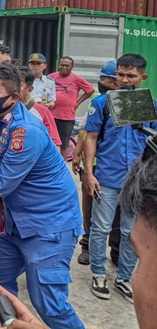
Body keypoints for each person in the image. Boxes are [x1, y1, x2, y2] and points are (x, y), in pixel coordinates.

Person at [0, 140, 157, 328]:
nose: (137, 279)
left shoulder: (28, 133)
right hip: (105, 178)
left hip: (51, 224)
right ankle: (99, 273)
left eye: (139, 257)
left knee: (51, 304)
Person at [0, 64, 84, 329]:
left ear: (14, 97)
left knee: (48, 304)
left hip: (47, 225)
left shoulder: (27, 132)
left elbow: (0, 184)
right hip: (11, 222)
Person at [83, 54, 157, 303]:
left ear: (142, 77)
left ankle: (124, 278)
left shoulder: (152, 106)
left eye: (131, 75)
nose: (124, 80)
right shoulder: (102, 103)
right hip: (106, 176)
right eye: (120, 74)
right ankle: (98, 273)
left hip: (138, 182)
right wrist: (89, 173)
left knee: (129, 231)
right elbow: (91, 137)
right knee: (100, 227)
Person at [72, 60, 119, 266]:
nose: (101, 82)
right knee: (90, 208)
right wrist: (77, 155)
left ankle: (116, 250)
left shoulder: (129, 106)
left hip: (117, 168)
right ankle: (87, 246)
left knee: (119, 212)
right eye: (100, 78)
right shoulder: (98, 103)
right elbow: (85, 132)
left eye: (105, 79)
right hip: (95, 166)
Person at [48, 56, 95, 160]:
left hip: (67, 117)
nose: (64, 67)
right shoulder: (50, 77)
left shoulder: (76, 78)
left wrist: (78, 102)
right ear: (58, 65)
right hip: (50, 116)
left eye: (67, 66)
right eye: (62, 65)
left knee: (64, 143)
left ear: (72, 67)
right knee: (49, 142)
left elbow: (90, 90)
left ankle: (62, 166)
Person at [18, 66, 62, 150]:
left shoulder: (42, 111)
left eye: (18, 85)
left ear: (29, 89)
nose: (13, 89)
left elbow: (55, 142)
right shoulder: (2, 110)